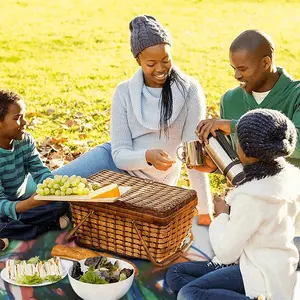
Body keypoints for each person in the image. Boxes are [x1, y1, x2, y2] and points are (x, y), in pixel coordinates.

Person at [53, 15, 213, 225]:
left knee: (73, 208)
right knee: (49, 188)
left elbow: (193, 156)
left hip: (149, 185)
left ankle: (62, 217)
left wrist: (204, 211)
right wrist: (147, 156)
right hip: (112, 163)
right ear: (138, 60)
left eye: (166, 60)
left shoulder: (190, 90)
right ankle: (16, 214)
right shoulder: (124, 92)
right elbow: (119, 155)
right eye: (150, 63)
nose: (160, 68)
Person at [166, 108, 300, 300]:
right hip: (272, 266)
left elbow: (226, 252)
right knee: (175, 274)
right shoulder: (291, 178)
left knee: (189, 293)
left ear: (244, 149)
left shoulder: (251, 197)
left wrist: (222, 215)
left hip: (259, 275)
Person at [195, 29, 300, 263]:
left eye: (242, 69)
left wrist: (234, 126)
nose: (236, 75)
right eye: (233, 68)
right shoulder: (230, 100)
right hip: (247, 205)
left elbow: (298, 142)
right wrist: (216, 165)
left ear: (266, 62)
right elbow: (242, 160)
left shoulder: (297, 95)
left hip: (289, 210)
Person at [0, 90, 70, 241]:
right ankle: (46, 226)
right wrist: (28, 204)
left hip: (21, 202)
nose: (24, 122)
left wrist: (53, 189)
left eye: (24, 116)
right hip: (5, 207)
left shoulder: (25, 141)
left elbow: (40, 172)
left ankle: (13, 233)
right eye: (17, 118)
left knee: (63, 203)